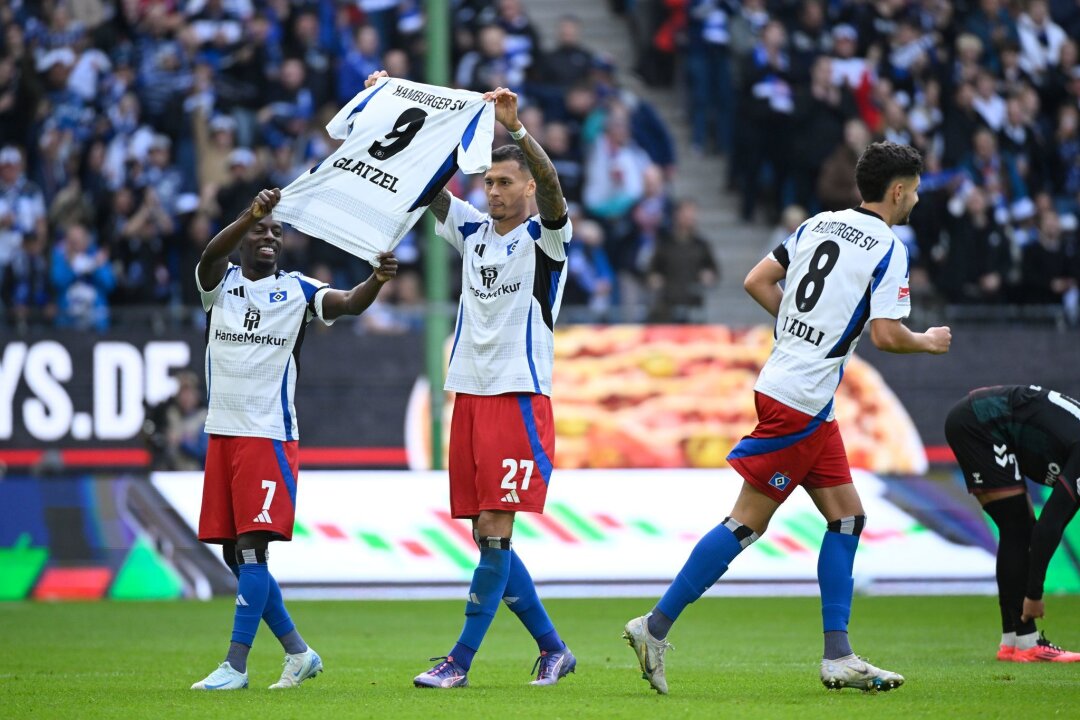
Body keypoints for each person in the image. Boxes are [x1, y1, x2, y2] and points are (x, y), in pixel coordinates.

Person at [624, 141, 952, 694]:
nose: (916, 199)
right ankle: (654, 626)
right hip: (799, 398)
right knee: (747, 522)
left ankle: (839, 655)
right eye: (915, 190)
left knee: (847, 517)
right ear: (898, 191)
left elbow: (756, 280)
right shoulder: (889, 249)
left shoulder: (817, 225)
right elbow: (887, 335)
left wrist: (800, 326)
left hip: (798, 392)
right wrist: (927, 342)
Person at [357, 69, 577, 689]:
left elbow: (557, 189)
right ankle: (554, 649)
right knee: (487, 536)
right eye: (488, 183)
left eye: (505, 183)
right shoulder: (474, 232)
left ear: (527, 187)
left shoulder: (546, 241)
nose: (494, 193)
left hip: (518, 397)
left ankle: (459, 660)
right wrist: (390, 105)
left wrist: (518, 132)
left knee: (498, 532)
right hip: (472, 396)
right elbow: (427, 187)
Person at [189, 187, 398, 690]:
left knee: (253, 551)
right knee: (232, 554)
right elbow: (210, 254)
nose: (269, 238)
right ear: (244, 236)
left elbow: (347, 303)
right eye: (261, 230)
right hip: (224, 432)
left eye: (277, 232)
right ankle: (299, 653)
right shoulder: (220, 283)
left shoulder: (298, 290)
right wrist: (250, 214)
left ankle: (235, 666)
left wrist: (377, 279)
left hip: (268, 434)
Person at [944, 385, 1080, 663]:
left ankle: (1012, 641)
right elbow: (1050, 525)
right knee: (1020, 528)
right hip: (979, 421)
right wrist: (1034, 594)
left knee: (1016, 528)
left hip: (981, 418)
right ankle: (1028, 642)